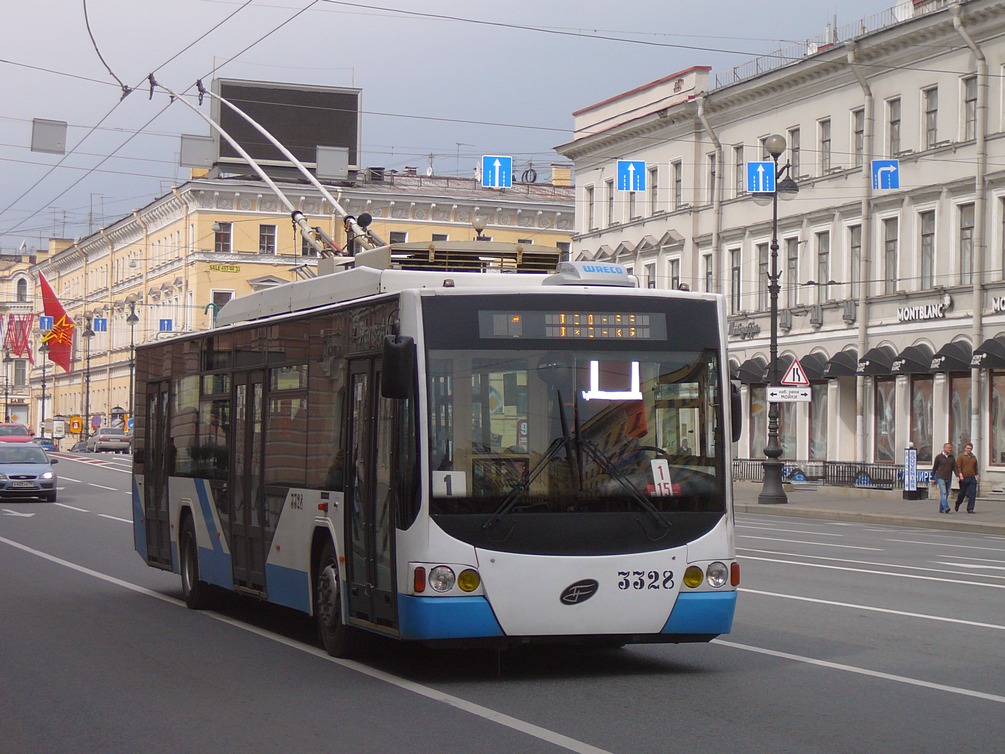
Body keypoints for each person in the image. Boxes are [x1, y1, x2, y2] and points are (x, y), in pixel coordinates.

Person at [931, 442, 956, 514]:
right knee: (943, 492)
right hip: (940, 477)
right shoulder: (939, 457)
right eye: (948, 448)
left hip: (948, 477)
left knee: (947, 493)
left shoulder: (952, 457)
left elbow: (955, 467)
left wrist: (958, 475)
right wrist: (932, 478)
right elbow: (934, 468)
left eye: (951, 448)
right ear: (944, 448)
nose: (950, 450)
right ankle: (946, 507)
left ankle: (941, 508)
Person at [954, 442, 979, 513]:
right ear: (965, 448)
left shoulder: (973, 457)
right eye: (968, 448)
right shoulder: (961, 456)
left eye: (970, 448)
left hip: (972, 477)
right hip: (964, 478)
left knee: (972, 494)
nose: (969, 450)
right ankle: (958, 503)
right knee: (962, 493)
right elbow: (958, 466)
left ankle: (970, 508)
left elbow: (975, 467)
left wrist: (976, 476)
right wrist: (960, 474)